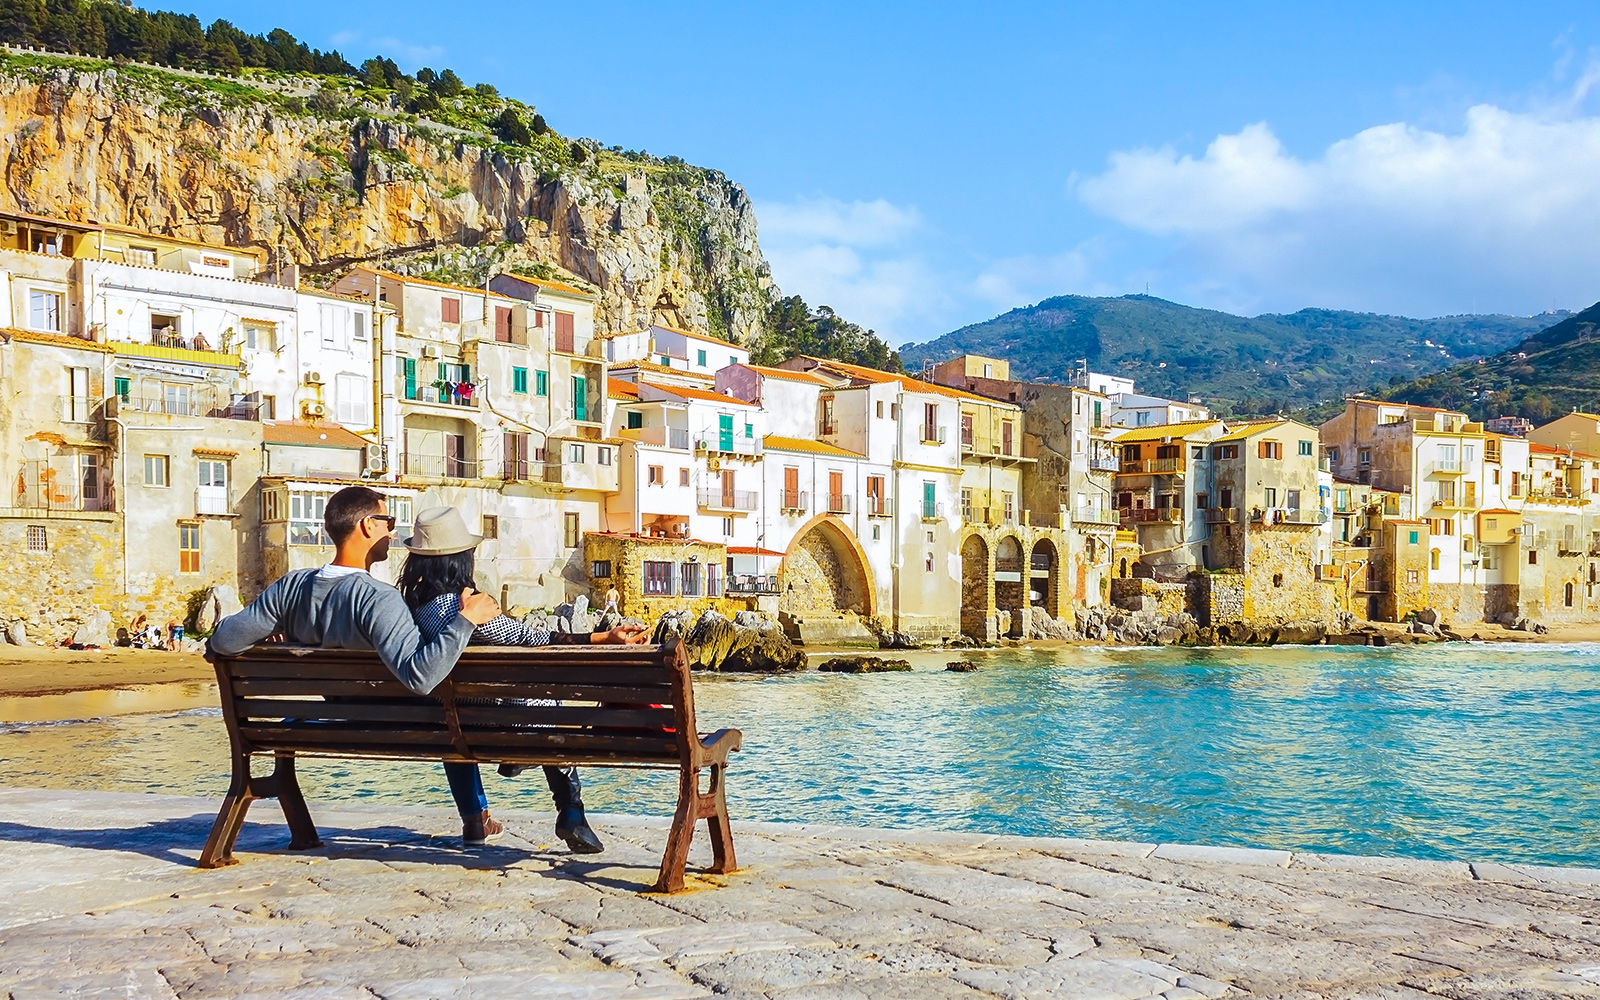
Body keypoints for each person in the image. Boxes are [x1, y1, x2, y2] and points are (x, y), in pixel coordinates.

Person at [209, 486, 504, 843]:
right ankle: (477, 815)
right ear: (367, 526)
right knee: (450, 704)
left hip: (334, 717)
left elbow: (223, 641)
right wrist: (466, 620)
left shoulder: (290, 587)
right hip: (398, 722)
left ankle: (478, 817)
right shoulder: (379, 598)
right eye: (388, 522)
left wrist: (272, 633)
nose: (393, 533)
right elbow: (421, 677)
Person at [397, 506, 646, 853]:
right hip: (514, 722)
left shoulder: (412, 610)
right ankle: (571, 810)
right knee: (547, 705)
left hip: (455, 726)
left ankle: (474, 820)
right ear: (462, 560)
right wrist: (602, 639)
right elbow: (532, 639)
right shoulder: (469, 608)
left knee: (456, 725)